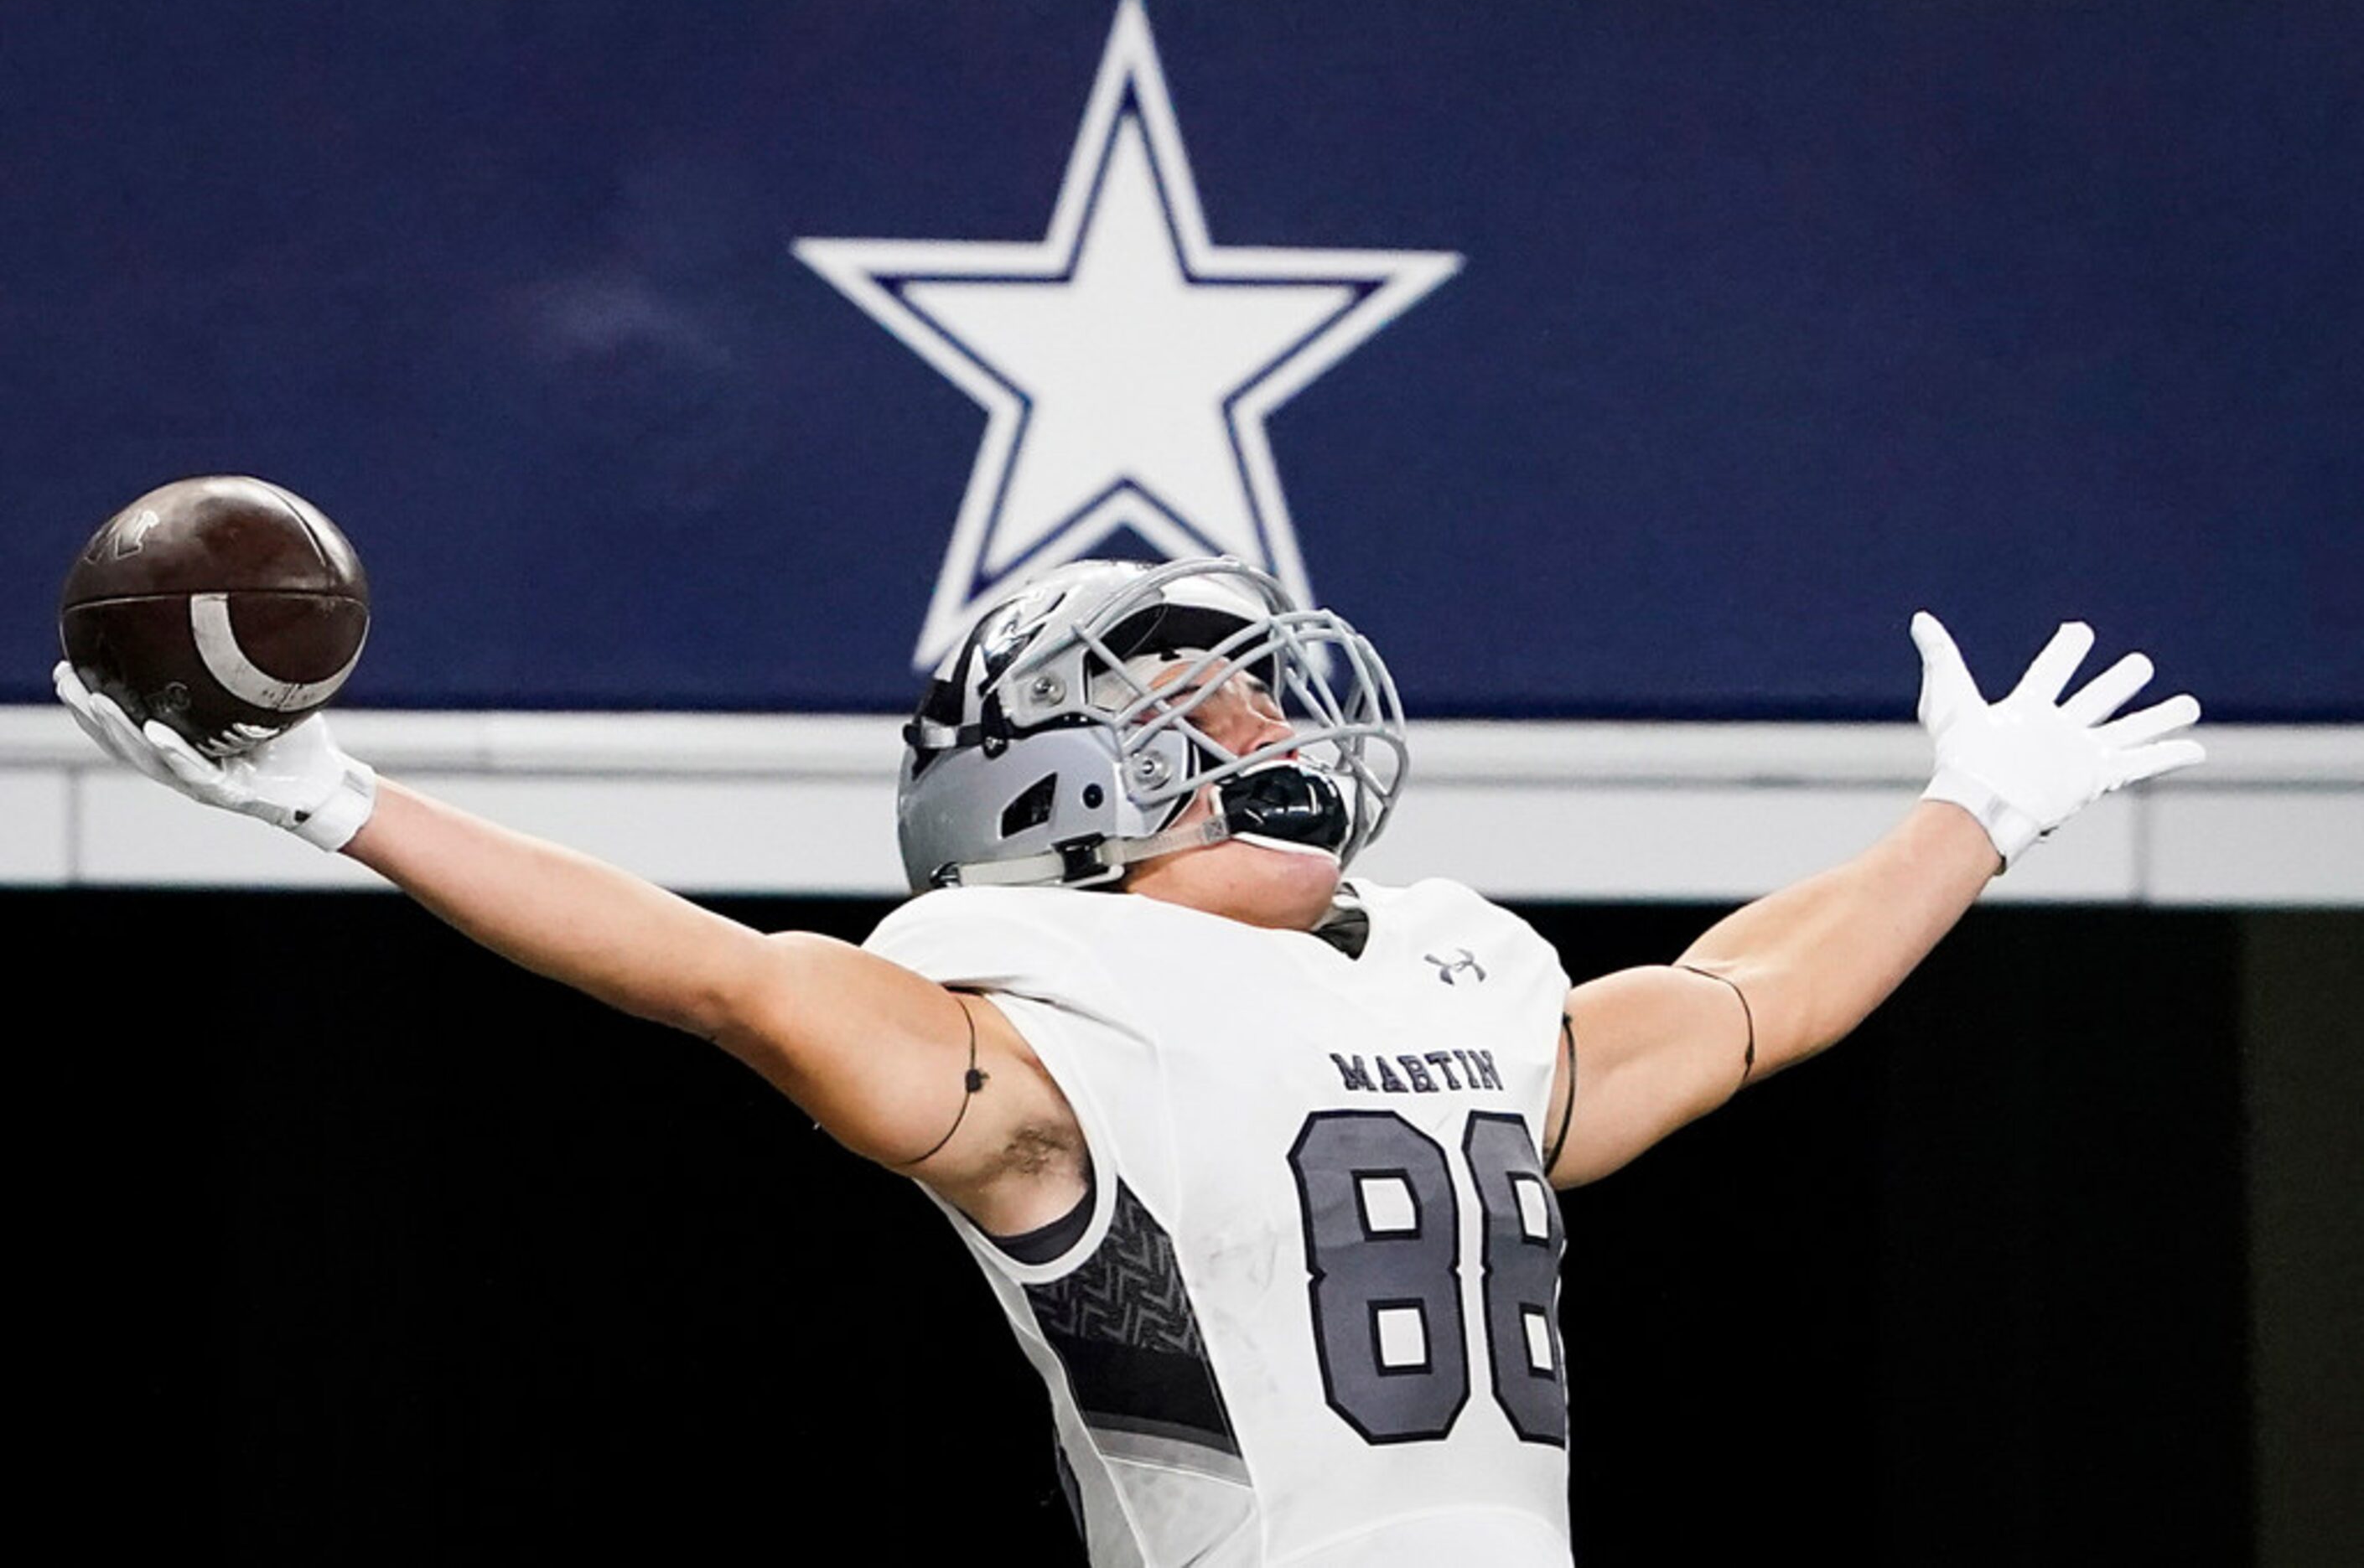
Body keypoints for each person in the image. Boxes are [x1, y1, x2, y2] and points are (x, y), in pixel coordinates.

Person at [52, 556, 2203, 1566]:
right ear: (1052, 791)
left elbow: (1754, 998)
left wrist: (1967, 821)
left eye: (1256, 693)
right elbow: (720, 977)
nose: (1262, 724)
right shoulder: (1046, 1033)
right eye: (1199, 702)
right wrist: (348, 809)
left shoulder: (1452, 987)